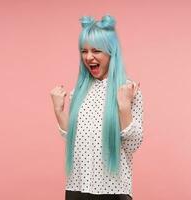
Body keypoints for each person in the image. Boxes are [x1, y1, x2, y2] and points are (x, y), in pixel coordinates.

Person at [50, 14, 144, 200]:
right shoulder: (79, 91)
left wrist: (124, 106)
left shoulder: (128, 90)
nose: (89, 57)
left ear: (111, 52)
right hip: (77, 188)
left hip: (113, 191)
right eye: (84, 51)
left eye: (96, 51)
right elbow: (74, 141)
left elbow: (133, 145)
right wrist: (59, 111)